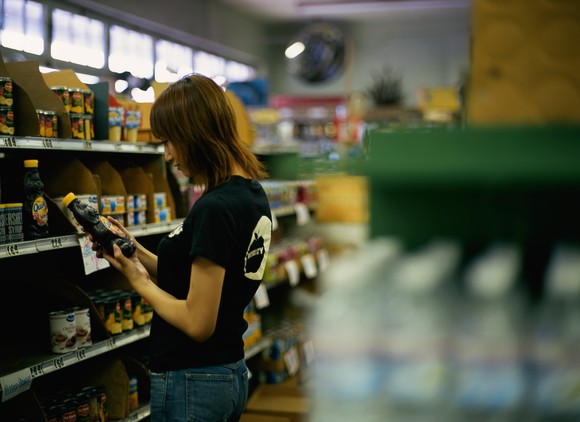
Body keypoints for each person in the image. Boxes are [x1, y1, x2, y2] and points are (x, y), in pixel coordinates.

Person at [91, 73, 273, 421]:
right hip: (225, 373)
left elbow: (197, 322)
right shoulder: (249, 194)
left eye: (171, 140)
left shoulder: (215, 208)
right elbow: (202, 276)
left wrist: (139, 281)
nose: (168, 154)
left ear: (195, 134)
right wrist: (134, 250)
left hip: (195, 381)